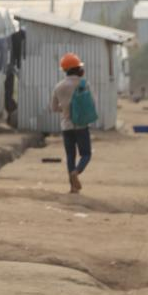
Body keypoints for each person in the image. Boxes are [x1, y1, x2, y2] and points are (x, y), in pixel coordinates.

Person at [51, 52, 93, 194]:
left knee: (70, 156)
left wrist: (65, 108)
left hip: (66, 126)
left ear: (64, 70)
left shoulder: (58, 86)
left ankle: (73, 187)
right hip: (81, 125)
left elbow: (54, 108)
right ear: (78, 68)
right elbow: (92, 103)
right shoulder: (84, 84)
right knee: (86, 154)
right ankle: (77, 172)